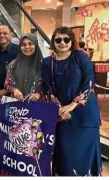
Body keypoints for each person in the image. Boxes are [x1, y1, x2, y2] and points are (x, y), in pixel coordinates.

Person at [41, 27, 102, 176]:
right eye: (58, 40)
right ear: (53, 42)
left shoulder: (80, 56)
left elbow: (89, 81)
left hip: (85, 115)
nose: (62, 43)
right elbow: (48, 88)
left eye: (66, 39)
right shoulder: (48, 62)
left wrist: (72, 105)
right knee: (66, 157)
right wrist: (60, 109)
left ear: (72, 41)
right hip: (63, 117)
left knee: (84, 157)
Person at [5, 34, 43, 101]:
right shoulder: (13, 65)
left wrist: (39, 94)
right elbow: (6, 84)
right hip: (17, 106)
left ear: (36, 45)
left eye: (30, 44)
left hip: (38, 105)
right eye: (23, 44)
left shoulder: (44, 65)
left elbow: (50, 88)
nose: (27, 47)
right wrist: (14, 90)